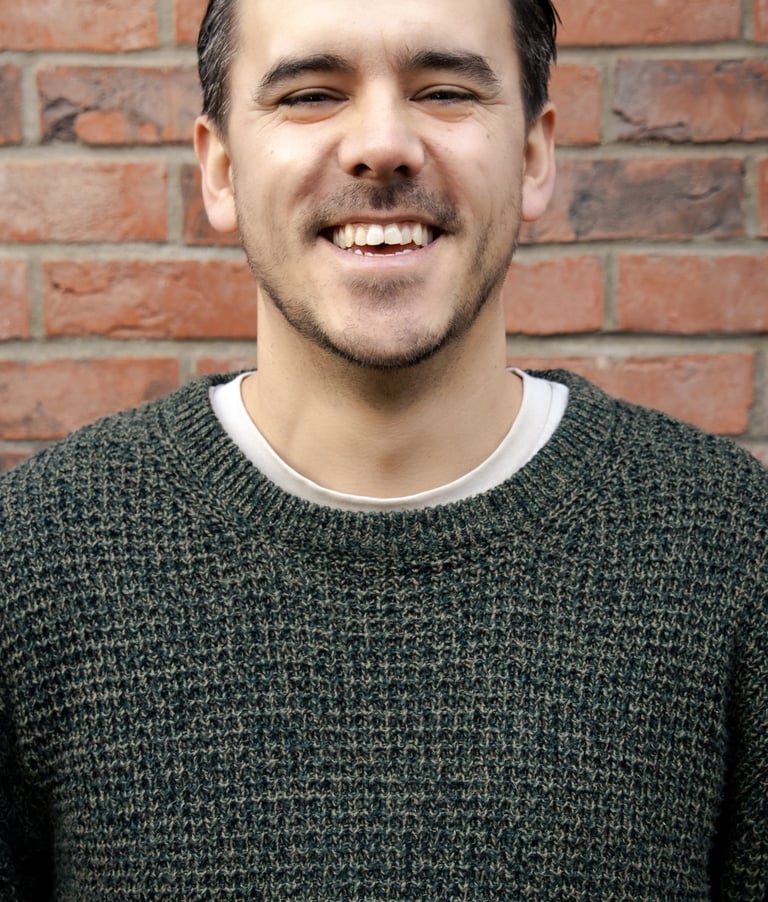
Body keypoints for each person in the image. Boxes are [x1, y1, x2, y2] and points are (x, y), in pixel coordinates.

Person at [1, 0, 766, 896]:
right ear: (218, 169)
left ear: (532, 155)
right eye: (310, 94)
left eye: (443, 91)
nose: (382, 144)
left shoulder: (728, 548)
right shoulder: (37, 560)